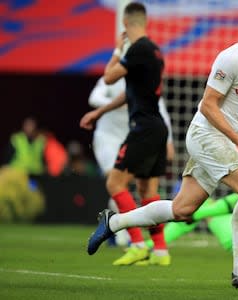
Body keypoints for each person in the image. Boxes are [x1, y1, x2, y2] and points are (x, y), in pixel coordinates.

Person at [86, 6, 238, 289]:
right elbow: (208, 105)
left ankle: (114, 223)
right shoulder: (232, 58)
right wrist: (236, 137)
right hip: (205, 134)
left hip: (219, 139)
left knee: (183, 209)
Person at [80, 2, 171, 266]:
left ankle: (137, 243)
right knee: (148, 191)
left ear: (126, 24)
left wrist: (118, 49)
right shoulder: (155, 51)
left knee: (114, 184)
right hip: (156, 128)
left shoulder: (137, 49)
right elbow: (128, 94)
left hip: (142, 129)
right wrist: (99, 112)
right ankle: (161, 251)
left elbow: (108, 78)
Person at [88, 74, 175, 250]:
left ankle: (148, 243)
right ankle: (127, 235)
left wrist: (169, 141)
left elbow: (160, 110)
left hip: (137, 137)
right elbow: (94, 98)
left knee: (145, 189)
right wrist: (117, 104)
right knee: (116, 182)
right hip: (108, 138)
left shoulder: (145, 79)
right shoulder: (111, 78)